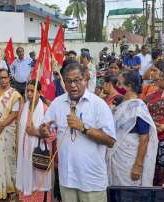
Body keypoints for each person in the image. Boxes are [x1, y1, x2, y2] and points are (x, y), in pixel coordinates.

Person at [40, 63, 116, 202]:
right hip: (67, 179)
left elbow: (110, 141)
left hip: (91, 181)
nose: (73, 85)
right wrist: (43, 130)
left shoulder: (98, 105)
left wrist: (84, 128)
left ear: (85, 79)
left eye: (77, 80)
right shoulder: (57, 103)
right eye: (68, 81)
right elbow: (45, 127)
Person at [106, 71, 158, 186]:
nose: (117, 87)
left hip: (130, 161)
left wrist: (138, 165)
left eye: (119, 84)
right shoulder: (122, 104)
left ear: (129, 86)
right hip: (117, 158)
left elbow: (144, 138)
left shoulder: (138, 107)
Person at [0, 69, 22, 201]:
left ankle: (11, 186)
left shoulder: (14, 94)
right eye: (1, 78)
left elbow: (14, 114)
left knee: (9, 157)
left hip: (7, 129)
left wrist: (1, 125)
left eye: (5, 77)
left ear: (9, 78)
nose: (3, 80)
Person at [16, 80, 54, 202]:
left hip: (39, 153)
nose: (29, 93)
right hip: (24, 155)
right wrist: (17, 146)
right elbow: (19, 128)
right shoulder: (23, 108)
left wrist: (36, 132)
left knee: (38, 182)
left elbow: (52, 134)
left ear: (39, 92)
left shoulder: (45, 109)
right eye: (27, 91)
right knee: (25, 180)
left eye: (32, 91)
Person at [148, 64, 164, 186]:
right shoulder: (156, 94)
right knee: (150, 174)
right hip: (150, 139)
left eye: (162, 77)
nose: (158, 78)